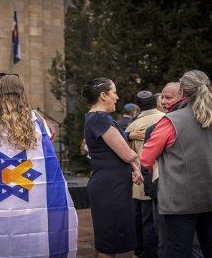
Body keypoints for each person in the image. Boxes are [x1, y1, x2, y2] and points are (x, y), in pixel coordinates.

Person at [0, 74, 78, 257]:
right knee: (31, 242)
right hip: (31, 200)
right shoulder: (34, 121)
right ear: (21, 92)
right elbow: (47, 158)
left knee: (1, 245)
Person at [140, 70, 212, 258]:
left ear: (182, 92)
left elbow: (146, 158)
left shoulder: (171, 121)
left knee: (176, 251)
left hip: (178, 200)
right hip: (209, 196)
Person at [82, 77, 143, 258]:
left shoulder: (97, 118)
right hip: (110, 188)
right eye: (114, 92)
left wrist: (135, 168)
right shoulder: (100, 118)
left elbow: (118, 151)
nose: (117, 97)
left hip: (110, 185)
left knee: (107, 240)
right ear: (103, 95)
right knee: (110, 244)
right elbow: (126, 154)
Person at [125, 90, 164, 258]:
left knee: (144, 220)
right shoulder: (166, 119)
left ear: (138, 106)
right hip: (164, 177)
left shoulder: (132, 126)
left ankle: (143, 252)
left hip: (140, 179)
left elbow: (128, 155)